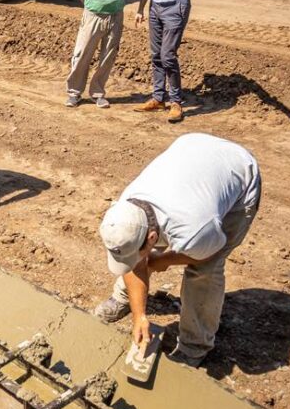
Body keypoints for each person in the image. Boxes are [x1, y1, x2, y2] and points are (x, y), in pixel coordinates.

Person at [93, 133, 261, 367]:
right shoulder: (127, 208)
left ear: (152, 238)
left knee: (205, 268)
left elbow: (212, 250)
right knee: (135, 251)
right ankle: (124, 299)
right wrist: (139, 316)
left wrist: (166, 259)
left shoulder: (196, 228)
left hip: (239, 173)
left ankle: (195, 345)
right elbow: (135, 259)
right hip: (191, 152)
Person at [65, 0, 135, 109]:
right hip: (93, 16)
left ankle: (97, 92)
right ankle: (74, 92)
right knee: (82, 54)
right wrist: (90, 7)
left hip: (115, 16)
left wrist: (114, 4)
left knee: (108, 57)